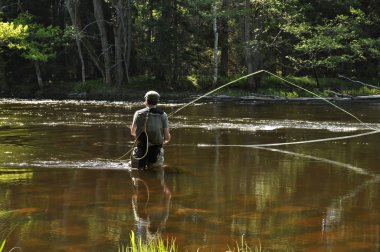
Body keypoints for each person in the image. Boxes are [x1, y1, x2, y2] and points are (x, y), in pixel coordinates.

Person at [130, 91, 171, 169]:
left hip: (140, 150)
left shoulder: (137, 113)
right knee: (156, 173)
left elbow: (132, 132)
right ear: (157, 102)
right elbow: (167, 138)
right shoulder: (163, 115)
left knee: (135, 172)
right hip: (155, 151)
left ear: (146, 100)